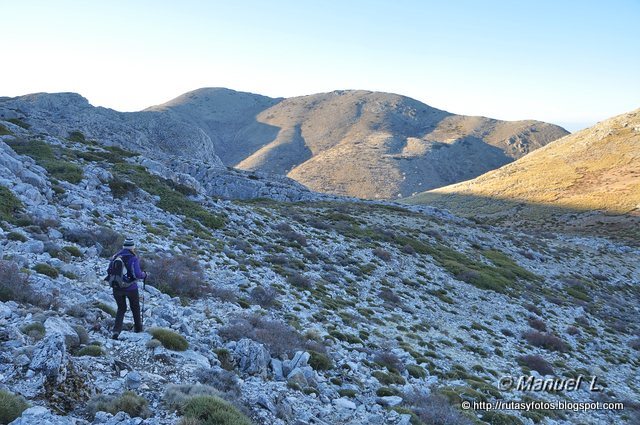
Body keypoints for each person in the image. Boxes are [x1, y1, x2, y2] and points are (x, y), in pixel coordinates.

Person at [110, 238, 147, 339]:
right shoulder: (133, 258)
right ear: (132, 247)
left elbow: (109, 270)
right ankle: (138, 329)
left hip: (116, 287)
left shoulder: (116, 256)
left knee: (121, 308)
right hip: (131, 288)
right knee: (135, 307)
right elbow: (138, 275)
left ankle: (116, 331)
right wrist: (144, 275)